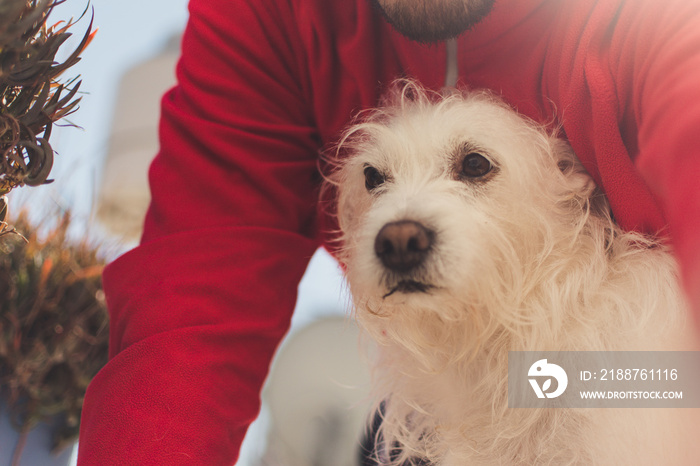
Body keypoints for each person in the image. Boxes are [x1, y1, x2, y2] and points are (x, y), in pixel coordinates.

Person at [77, 0, 700, 464]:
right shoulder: (266, 20)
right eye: (373, 181)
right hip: (443, 393)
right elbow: (189, 313)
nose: (399, 228)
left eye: (474, 169)